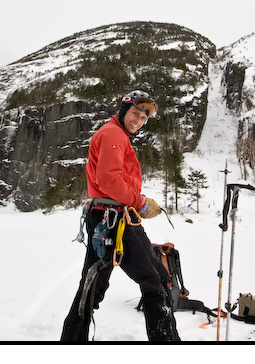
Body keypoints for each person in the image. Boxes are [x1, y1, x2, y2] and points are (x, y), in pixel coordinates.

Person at [61, 91, 180, 341]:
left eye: (143, 118)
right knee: (155, 280)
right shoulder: (113, 134)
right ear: (124, 110)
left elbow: (114, 180)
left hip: (108, 217)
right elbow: (111, 180)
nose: (138, 121)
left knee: (92, 286)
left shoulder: (116, 135)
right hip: (113, 219)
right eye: (135, 114)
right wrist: (141, 203)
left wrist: (138, 200)